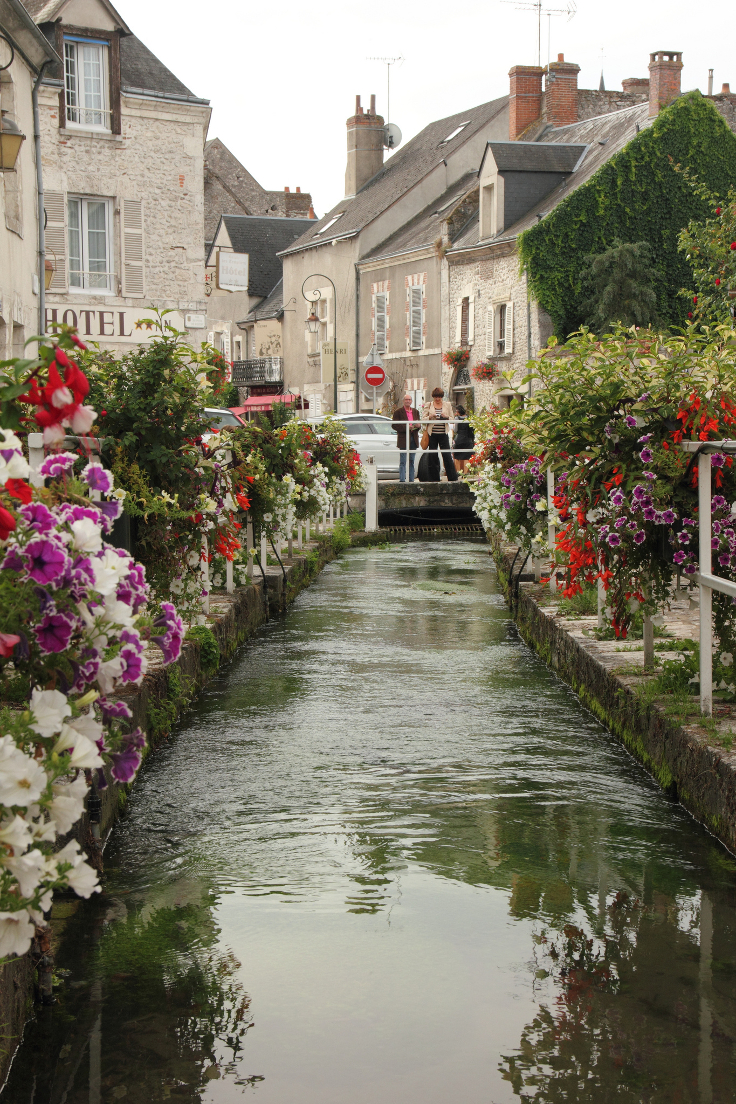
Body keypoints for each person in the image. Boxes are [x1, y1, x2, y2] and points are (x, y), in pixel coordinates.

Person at [422, 387, 458, 481]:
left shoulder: (447, 405)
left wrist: (446, 417)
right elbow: (423, 419)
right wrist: (430, 417)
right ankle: (434, 478)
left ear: (442, 397)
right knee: (433, 455)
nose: (437, 399)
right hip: (432, 433)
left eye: (439, 397)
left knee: (446, 455)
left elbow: (452, 419)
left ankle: (452, 477)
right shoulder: (429, 405)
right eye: (435, 397)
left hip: (443, 433)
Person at [393, 393, 420, 483]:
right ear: (403, 401)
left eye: (409, 400)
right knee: (403, 460)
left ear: (411, 401)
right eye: (406, 399)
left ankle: (411, 480)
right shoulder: (398, 412)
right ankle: (402, 480)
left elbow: (419, 424)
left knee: (412, 460)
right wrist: (406, 427)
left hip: (413, 437)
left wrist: (418, 426)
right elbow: (394, 425)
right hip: (403, 438)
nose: (408, 401)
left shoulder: (415, 411)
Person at [453, 405, 475, 473]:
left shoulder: (457, 419)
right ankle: (466, 472)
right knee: (467, 456)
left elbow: (455, 430)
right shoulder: (469, 418)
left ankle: (459, 472)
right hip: (468, 439)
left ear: (458, 412)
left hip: (459, 439)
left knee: (457, 456)